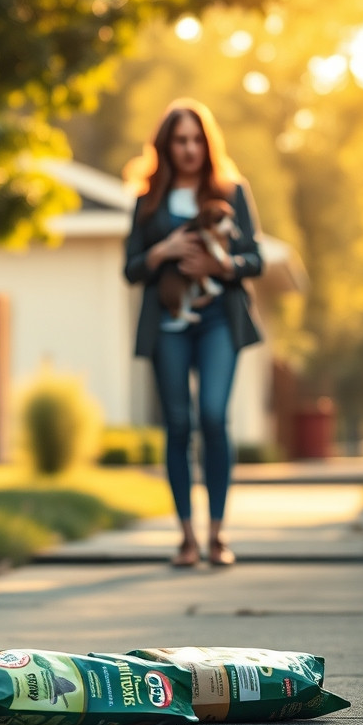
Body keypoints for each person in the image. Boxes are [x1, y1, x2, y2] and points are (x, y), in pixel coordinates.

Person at [123, 99, 263, 569]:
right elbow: (131, 268)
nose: (188, 148)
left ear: (208, 144)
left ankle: (218, 535)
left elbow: (255, 259)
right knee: (178, 425)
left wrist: (221, 265)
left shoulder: (232, 192)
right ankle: (186, 538)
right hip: (168, 325)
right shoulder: (148, 201)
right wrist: (162, 250)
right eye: (180, 140)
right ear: (165, 146)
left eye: (196, 140)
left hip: (220, 319)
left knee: (214, 417)